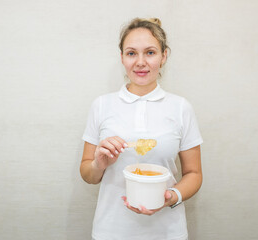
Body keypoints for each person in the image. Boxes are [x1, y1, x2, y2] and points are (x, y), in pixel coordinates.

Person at [80, 18, 203, 240]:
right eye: (131, 53)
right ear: (122, 58)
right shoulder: (101, 105)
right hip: (110, 231)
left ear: (164, 56)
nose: (140, 62)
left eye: (150, 52)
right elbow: (88, 175)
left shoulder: (181, 108)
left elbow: (194, 174)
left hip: (168, 232)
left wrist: (171, 197)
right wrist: (98, 164)